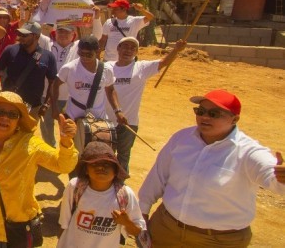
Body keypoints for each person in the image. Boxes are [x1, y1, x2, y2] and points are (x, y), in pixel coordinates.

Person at [138, 90, 285, 248]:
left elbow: (271, 176)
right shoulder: (181, 138)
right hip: (166, 230)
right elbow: (157, 177)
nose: (204, 117)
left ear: (235, 119)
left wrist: (281, 178)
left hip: (218, 241)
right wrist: (141, 214)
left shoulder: (248, 152)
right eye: (200, 111)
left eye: (214, 113)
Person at [0, 91, 78, 247]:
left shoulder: (31, 145)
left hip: (20, 225)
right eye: (0, 112)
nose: (5, 118)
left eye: (12, 114)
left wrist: (66, 142)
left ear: (18, 121)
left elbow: (63, 165)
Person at [108, 37, 186, 173]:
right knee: (106, 156)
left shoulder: (141, 67)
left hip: (129, 122)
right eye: (125, 46)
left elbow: (164, 62)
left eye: (133, 48)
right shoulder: (107, 67)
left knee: (123, 157)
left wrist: (176, 50)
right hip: (107, 121)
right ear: (118, 48)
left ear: (137, 52)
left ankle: (120, 188)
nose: (128, 50)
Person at [57, 142, 145, 248]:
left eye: (107, 164)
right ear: (86, 170)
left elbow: (137, 231)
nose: (101, 168)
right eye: (94, 164)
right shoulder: (75, 187)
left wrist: (126, 222)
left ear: (115, 170)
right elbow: (64, 224)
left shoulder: (125, 194)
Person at [0, 21, 59, 144]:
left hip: (32, 107)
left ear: (36, 37)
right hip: (9, 104)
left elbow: (53, 83)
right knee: (3, 136)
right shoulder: (10, 50)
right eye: (20, 35)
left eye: (25, 35)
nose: (21, 38)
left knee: (26, 139)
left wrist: (46, 105)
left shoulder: (48, 57)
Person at [54, 35, 125, 152]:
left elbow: (110, 89)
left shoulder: (106, 70)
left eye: (89, 55)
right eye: (81, 54)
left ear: (97, 51)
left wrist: (118, 111)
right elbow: (55, 85)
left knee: (97, 155)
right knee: (73, 155)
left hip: (99, 120)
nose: (85, 57)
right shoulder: (69, 68)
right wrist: (55, 108)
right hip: (73, 119)